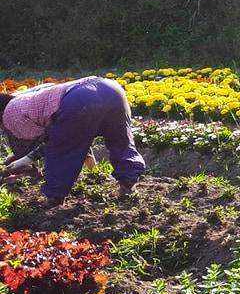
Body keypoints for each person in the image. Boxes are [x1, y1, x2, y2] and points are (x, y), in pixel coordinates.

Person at [0, 76, 146, 206]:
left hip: (79, 100)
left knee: (61, 152)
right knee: (120, 140)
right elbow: (75, 134)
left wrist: (22, 161)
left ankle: (54, 198)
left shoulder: (10, 114)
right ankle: (128, 182)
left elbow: (52, 142)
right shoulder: (26, 100)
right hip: (112, 90)